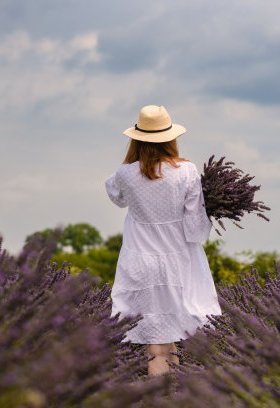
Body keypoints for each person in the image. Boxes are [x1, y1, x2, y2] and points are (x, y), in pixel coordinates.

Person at [105, 105, 222, 376]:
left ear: (136, 138)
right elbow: (195, 229)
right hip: (177, 263)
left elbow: (115, 195)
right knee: (168, 345)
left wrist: (132, 172)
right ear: (170, 138)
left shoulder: (125, 174)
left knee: (159, 346)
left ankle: (163, 398)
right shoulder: (187, 171)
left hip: (139, 263)